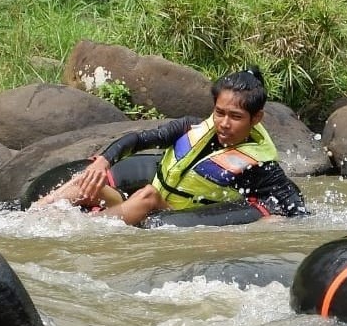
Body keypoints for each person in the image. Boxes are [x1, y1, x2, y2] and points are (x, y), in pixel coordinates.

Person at [31, 67, 308, 226]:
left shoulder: (259, 164)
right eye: (220, 112)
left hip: (176, 216)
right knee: (87, 182)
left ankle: (81, 231)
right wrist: (103, 161)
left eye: (235, 117)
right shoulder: (191, 127)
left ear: (256, 118)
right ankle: (29, 219)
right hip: (142, 205)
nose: (224, 123)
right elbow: (138, 140)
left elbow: (293, 203)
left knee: (148, 194)